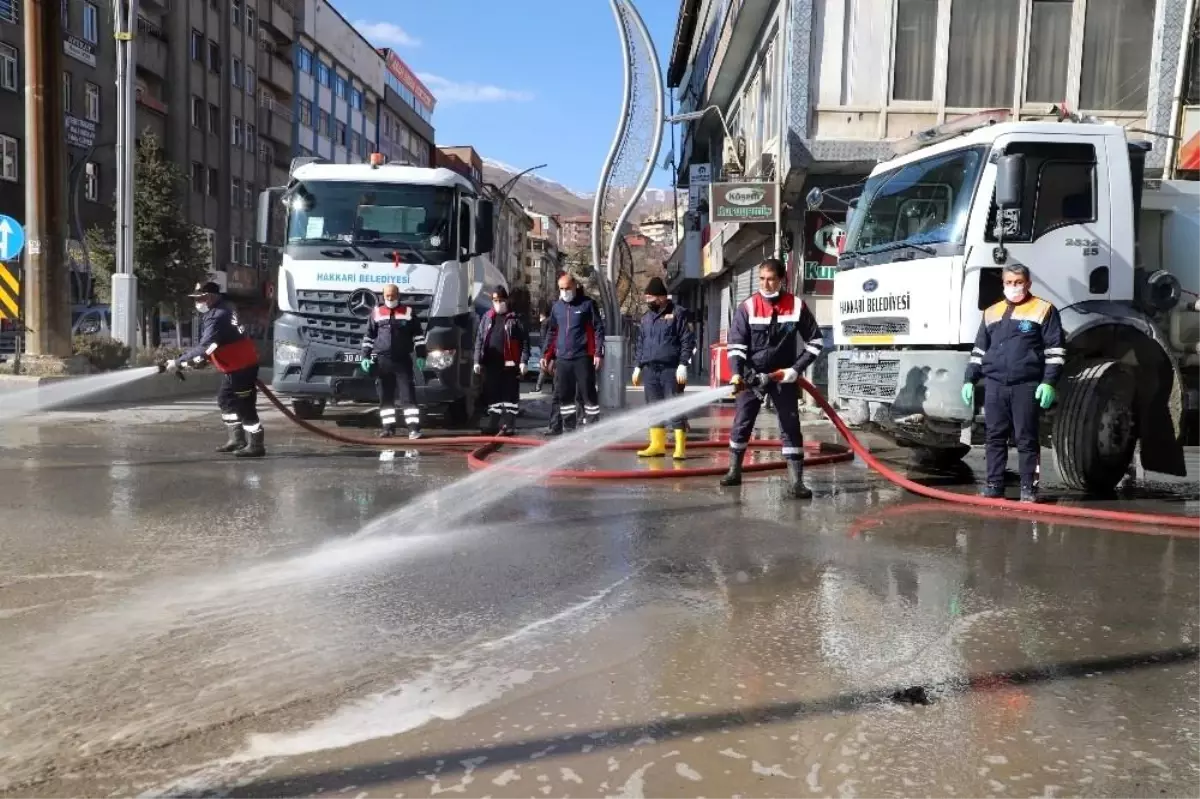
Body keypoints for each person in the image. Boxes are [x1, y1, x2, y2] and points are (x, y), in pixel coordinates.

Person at [721, 258, 825, 498]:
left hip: (783, 377)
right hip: (751, 377)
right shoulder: (747, 307)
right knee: (743, 422)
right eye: (761, 279)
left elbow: (816, 341)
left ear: (781, 280)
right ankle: (734, 471)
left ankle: (796, 483)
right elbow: (736, 346)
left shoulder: (796, 306)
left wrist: (795, 369)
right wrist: (739, 373)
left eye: (770, 279)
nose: (765, 284)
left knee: (790, 426)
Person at [962, 263, 1064, 502]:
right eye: (1009, 283)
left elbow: (1055, 350)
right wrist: (969, 379)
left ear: (1028, 284)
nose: (1013, 287)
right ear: (1003, 284)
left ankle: (1030, 488)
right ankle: (994, 485)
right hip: (995, 385)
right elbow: (979, 350)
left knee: (1027, 439)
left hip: (1026, 385)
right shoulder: (991, 312)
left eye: (1018, 282)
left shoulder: (1044, 309)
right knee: (994, 437)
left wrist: (1049, 382)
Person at [166, 281, 264, 458]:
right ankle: (237, 439)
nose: (197, 303)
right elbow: (213, 346)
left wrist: (178, 362)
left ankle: (256, 445)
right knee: (225, 400)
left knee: (245, 405)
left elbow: (206, 347)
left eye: (200, 298)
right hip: (234, 366)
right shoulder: (225, 308)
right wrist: (193, 359)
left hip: (241, 366)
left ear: (210, 297)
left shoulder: (218, 316)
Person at [631, 276, 695, 460]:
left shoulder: (678, 313)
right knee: (654, 408)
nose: (648, 302)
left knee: (674, 406)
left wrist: (683, 364)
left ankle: (680, 447)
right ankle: (657, 445)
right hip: (651, 369)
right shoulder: (646, 319)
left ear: (661, 297)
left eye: (650, 298)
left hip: (671, 369)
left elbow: (687, 340)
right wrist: (638, 366)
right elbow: (641, 344)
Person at [361, 282, 427, 439]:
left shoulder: (409, 312)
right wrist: (365, 356)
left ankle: (413, 429)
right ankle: (388, 429)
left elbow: (418, 336)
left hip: (402, 361)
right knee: (385, 397)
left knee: (408, 396)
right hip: (382, 361)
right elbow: (369, 336)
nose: (390, 298)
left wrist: (421, 355)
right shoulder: (376, 313)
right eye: (387, 296)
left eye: (393, 295)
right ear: (383, 297)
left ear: (399, 295)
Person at [542, 272, 604, 432]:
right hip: (563, 359)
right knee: (565, 396)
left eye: (567, 288)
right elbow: (552, 332)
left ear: (575, 286)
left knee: (587, 393)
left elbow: (598, 328)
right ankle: (569, 428)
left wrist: (598, 353)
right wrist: (547, 355)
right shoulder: (557, 307)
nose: (564, 292)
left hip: (582, 357)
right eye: (561, 289)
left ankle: (592, 427)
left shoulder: (587, 304)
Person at [474, 285, 529, 436]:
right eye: (495, 300)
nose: (498, 303)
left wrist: (524, 361)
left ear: (506, 300)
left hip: (510, 365)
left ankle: (509, 424)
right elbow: (479, 339)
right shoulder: (487, 317)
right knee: (493, 395)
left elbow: (524, 341)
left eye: (501, 300)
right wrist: (476, 361)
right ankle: (493, 423)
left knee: (509, 396)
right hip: (491, 364)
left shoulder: (515, 319)